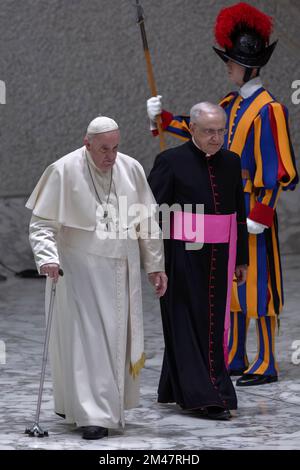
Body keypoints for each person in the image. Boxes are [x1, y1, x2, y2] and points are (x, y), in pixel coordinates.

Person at [146, 2, 298, 387]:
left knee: (260, 285)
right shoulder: (231, 105)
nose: (226, 67)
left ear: (248, 65)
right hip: (229, 206)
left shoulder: (271, 109)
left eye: (231, 61)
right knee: (232, 282)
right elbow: (199, 129)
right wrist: (163, 119)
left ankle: (265, 360)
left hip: (254, 209)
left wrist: (262, 214)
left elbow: (280, 169)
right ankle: (233, 354)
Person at [26, 116, 167, 439]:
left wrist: (154, 266)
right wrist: (48, 258)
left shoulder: (129, 168)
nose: (110, 157)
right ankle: (92, 414)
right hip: (79, 271)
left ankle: (105, 407)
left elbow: (147, 221)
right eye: (104, 149)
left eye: (116, 148)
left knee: (117, 342)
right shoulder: (63, 170)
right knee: (87, 343)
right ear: (86, 142)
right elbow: (42, 224)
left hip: (122, 270)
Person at [148, 102, 248, 420]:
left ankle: (174, 387)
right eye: (209, 132)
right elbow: (153, 216)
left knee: (210, 325)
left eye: (221, 131)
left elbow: (239, 215)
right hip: (182, 256)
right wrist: (156, 263)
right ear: (192, 129)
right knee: (186, 323)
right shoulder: (170, 161)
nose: (216, 138)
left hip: (220, 257)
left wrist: (241, 259)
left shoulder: (232, 162)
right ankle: (205, 396)